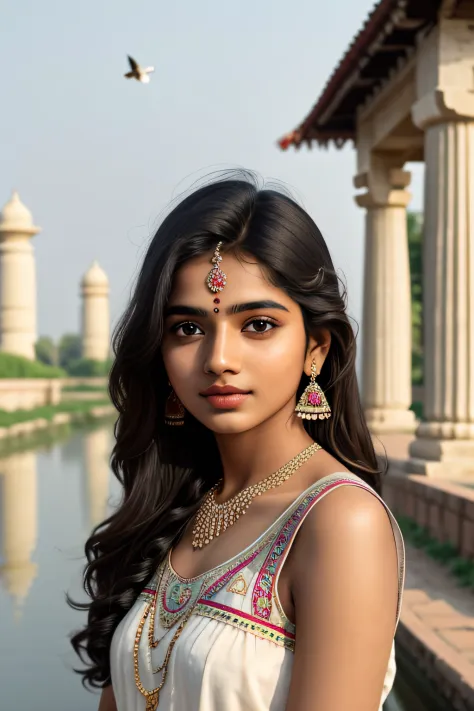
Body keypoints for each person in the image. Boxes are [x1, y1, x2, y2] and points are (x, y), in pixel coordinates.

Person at [69, 173, 405, 711]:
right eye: (188, 329)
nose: (219, 358)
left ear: (316, 348)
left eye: (258, 325)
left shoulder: (337, 522)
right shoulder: (175, 507)